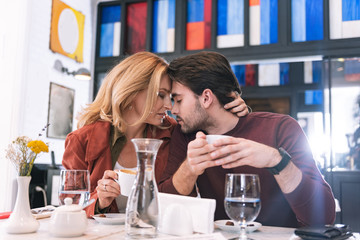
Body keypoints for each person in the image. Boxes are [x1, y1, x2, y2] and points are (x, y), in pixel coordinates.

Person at [158, 51, 336, 227]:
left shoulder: (281, 128)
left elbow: (324, 217)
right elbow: (163, 209)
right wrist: (189, 168)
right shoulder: (186, 136)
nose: (172, 110)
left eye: (178, 100)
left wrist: (276, 160)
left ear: (206, 98)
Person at [62, 52, 249, 217]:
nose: (169, 106)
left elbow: (214, 131)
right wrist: (99, 202)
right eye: (161, 95)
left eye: (173, 97)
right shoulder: (81, 140)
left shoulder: (174, 132)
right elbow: (68, 205)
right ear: (132, 91)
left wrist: (230, 110)